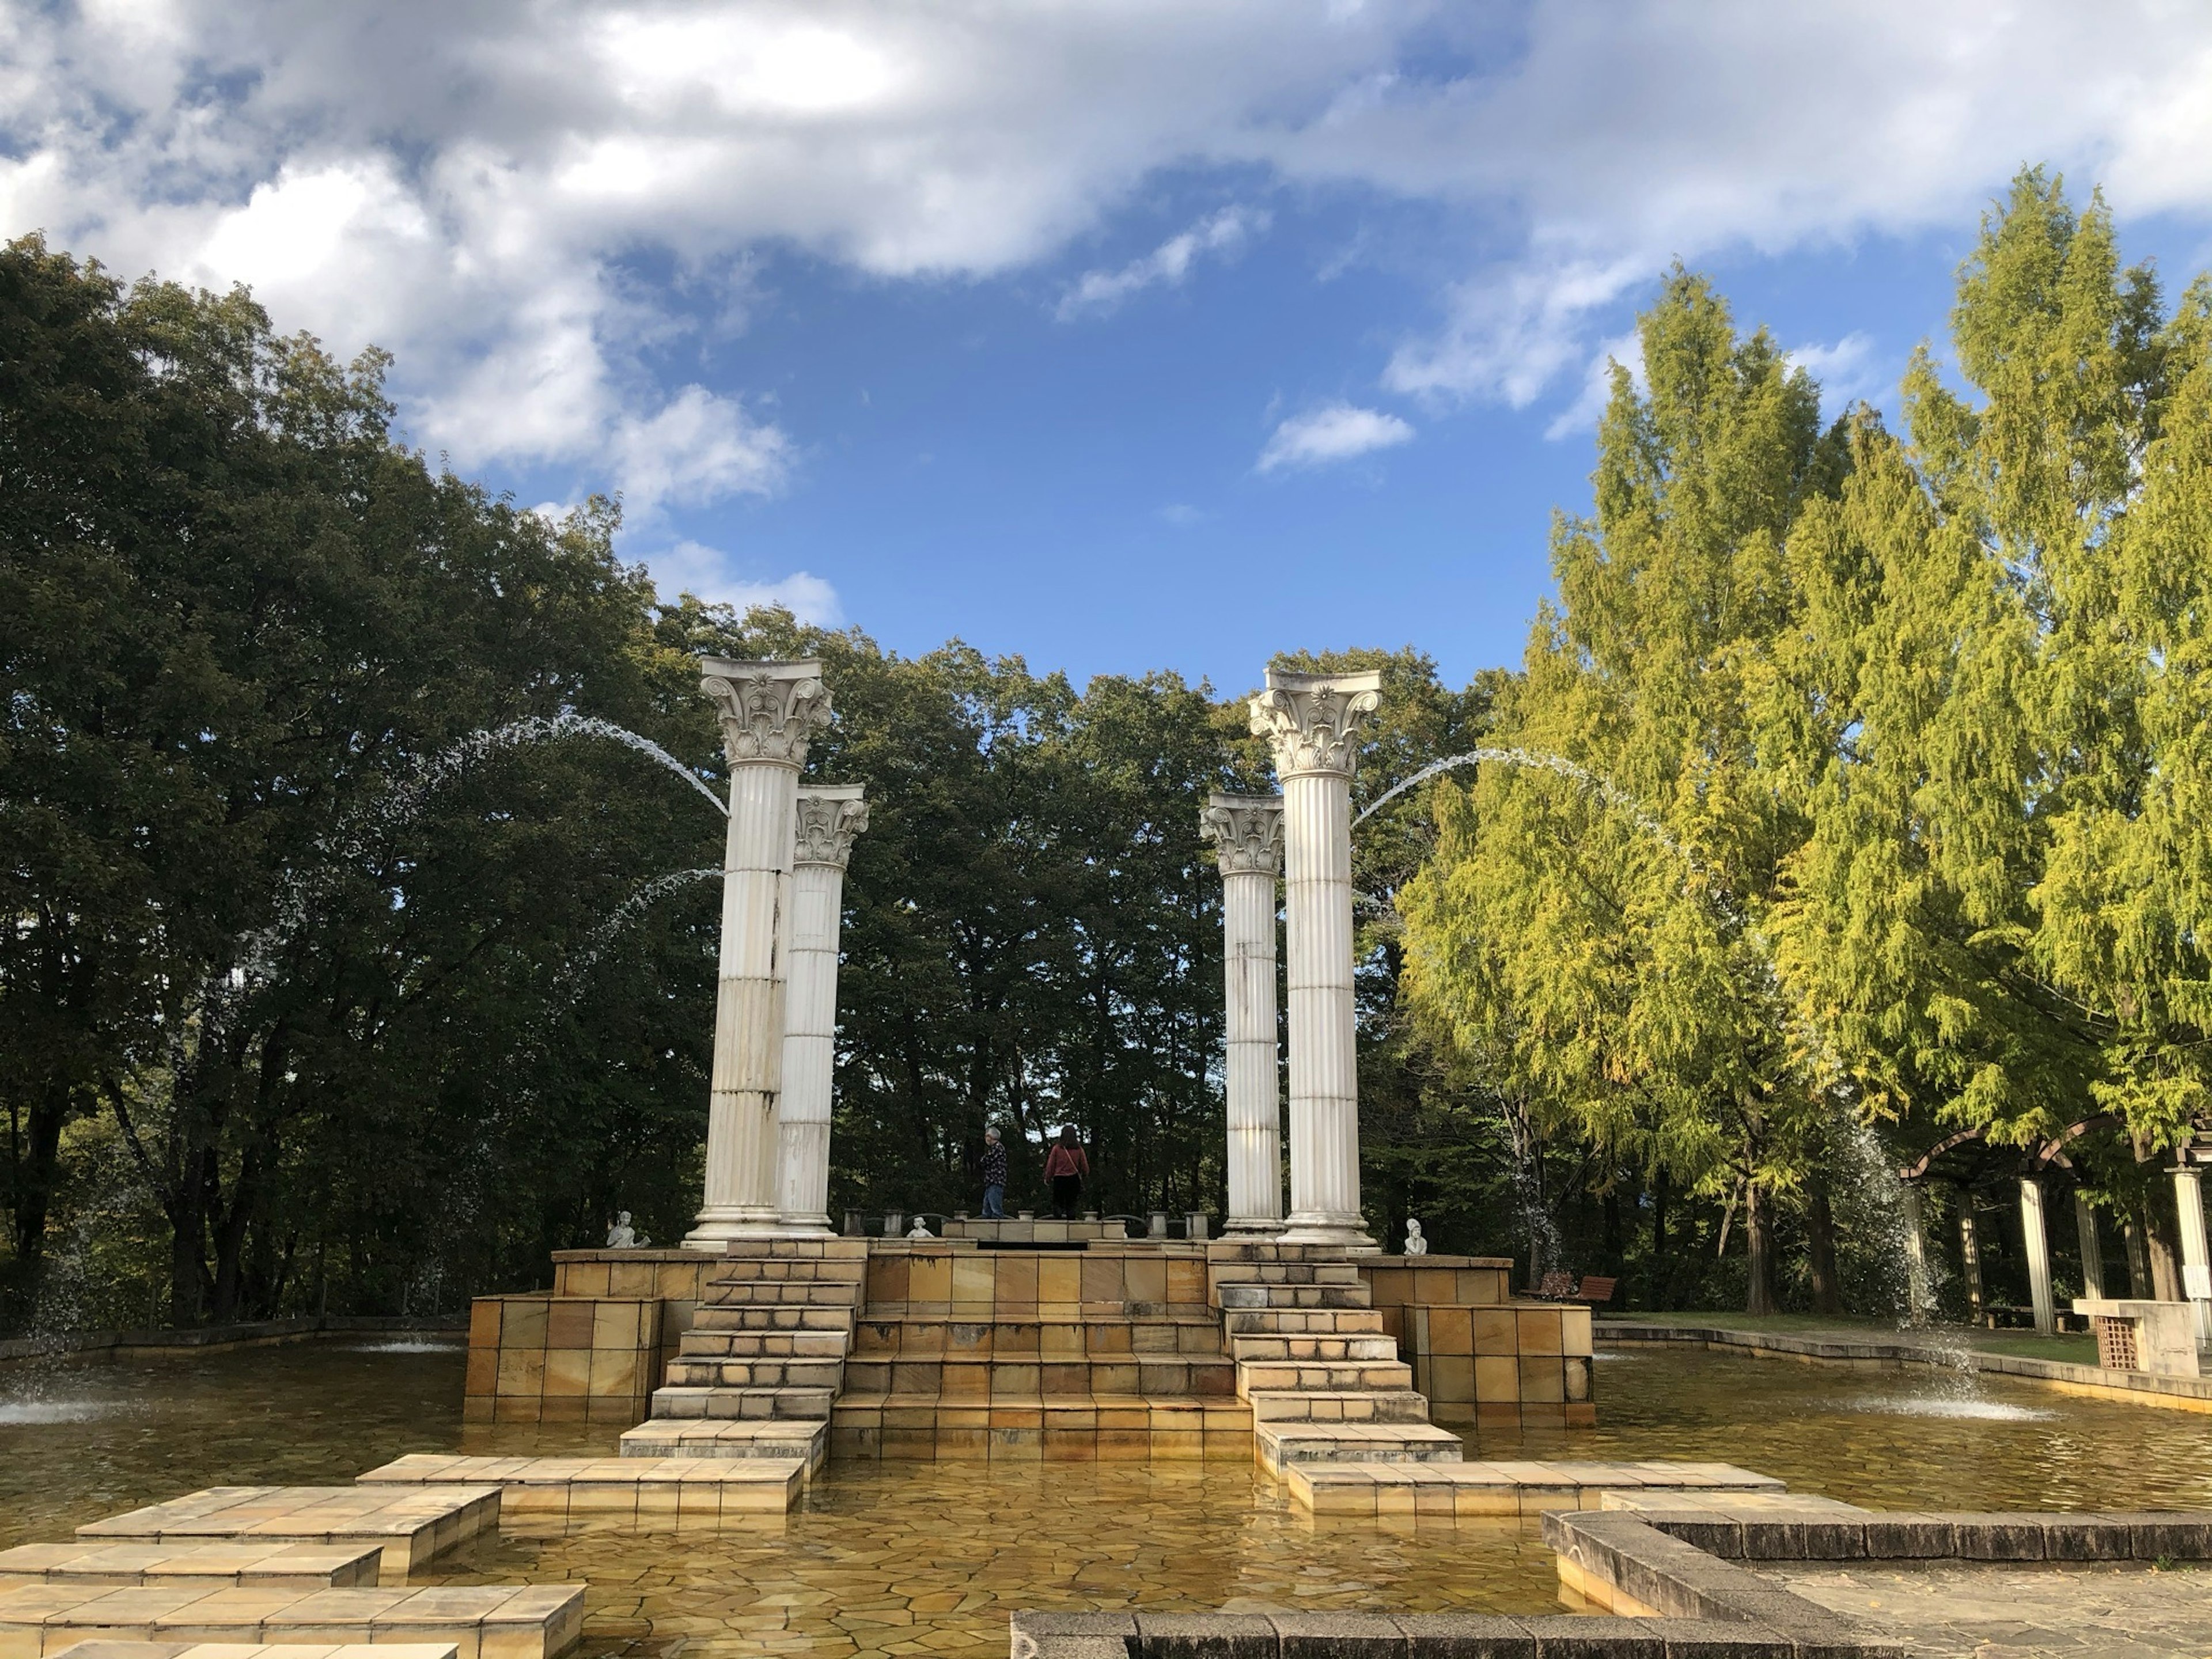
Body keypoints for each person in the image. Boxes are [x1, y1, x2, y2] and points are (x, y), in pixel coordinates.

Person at [1043, 1124, 1089, 1220]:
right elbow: (1085, 1166)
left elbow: (1051, 1165)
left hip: (1059, 1179)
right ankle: (1071, 1226)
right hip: (1073, 1179)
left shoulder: (1057, 1149)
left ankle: (1058, 1222)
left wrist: (1047, 1178)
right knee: (1071, 1204)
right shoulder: (1079, 1149)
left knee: (1058, 1202)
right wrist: (1084, 1175)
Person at [980, 1126, 1008, 1219]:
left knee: (995, 1208)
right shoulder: (995, 1148)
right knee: (987, 1208)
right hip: (991, 1182)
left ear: (989, 1136)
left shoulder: (997, 1148)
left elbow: (985, 1160)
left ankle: (998, 1224)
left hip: (995, 1181)